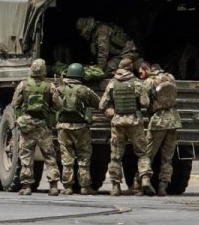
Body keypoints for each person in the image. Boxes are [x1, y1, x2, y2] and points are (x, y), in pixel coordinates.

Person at [99, 58, 154, 196]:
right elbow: (145, 103)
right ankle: (145, 178)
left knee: (116, 156)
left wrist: (113, 113)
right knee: (142, 153)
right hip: (134, 121)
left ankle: (115, 186)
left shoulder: (112, 84)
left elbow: (102, 105)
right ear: (130, 68)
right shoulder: (137, 83)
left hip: (118, 122)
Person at [10, 58, 62, 196]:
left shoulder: (23, 85)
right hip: (43, 125)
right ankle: (53, 186)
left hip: (27, 126)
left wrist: (20, 118)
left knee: (26, 156)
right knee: (49, 156)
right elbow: (58, 105)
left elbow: (15, 104)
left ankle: (26, 186)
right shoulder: (49, 86)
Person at [55, 63, 101, 195]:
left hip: (63, 127)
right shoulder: (85, 90)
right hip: (81, 128)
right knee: (84, 158)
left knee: (66, 158)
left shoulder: (59, 89)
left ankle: (67, 187)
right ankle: (85, 187)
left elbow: (52, 105)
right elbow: (99, 104)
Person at [140, 61, 181, 196]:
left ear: (147, 69)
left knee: (147, 154)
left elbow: (144, 102)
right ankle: (163, 186)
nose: (141, 75)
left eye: (141, 72)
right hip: (173, 120)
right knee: (167, 158)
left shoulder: (149, 81)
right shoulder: (170, 78)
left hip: (157, 121)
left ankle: (145, 180)